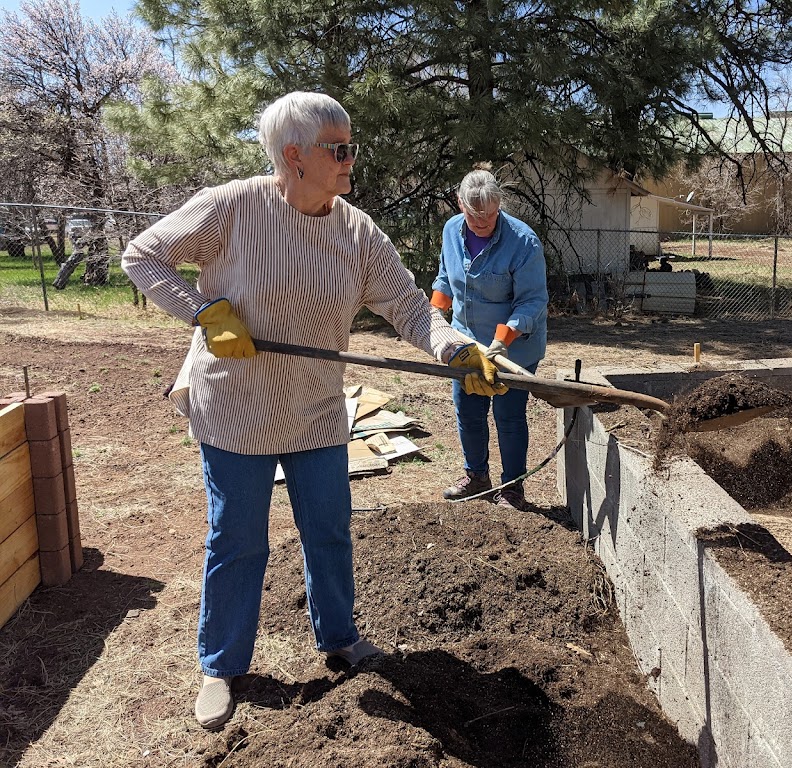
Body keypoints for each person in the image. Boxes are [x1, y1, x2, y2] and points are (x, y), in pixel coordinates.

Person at [121, 92, 504, 730]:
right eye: (340, 149)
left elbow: (408, 307)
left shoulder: (356, 232)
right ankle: (220, 664)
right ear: (294, 156)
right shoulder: (232, 207)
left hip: (315, 409)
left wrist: (456, 348)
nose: (352, 160)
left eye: (352, 146)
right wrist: (204, 312)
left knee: (327, 530)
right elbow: (142, 256)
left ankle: (340, 636)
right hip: (236, 409)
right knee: (238, 539)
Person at [430, 168, 548, 510]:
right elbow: (445, 278)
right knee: (468, 411)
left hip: (513, 348)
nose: (482, 223)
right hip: (465, 343)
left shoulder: (523, 242)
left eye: (490, 215)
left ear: (499, 206)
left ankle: (512, 490)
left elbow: (533, 301)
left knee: (508, 417)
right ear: (459, 204)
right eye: (473, 216)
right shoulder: (452, 229)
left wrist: (503, 338)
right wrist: (436, 311)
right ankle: (476, 477)